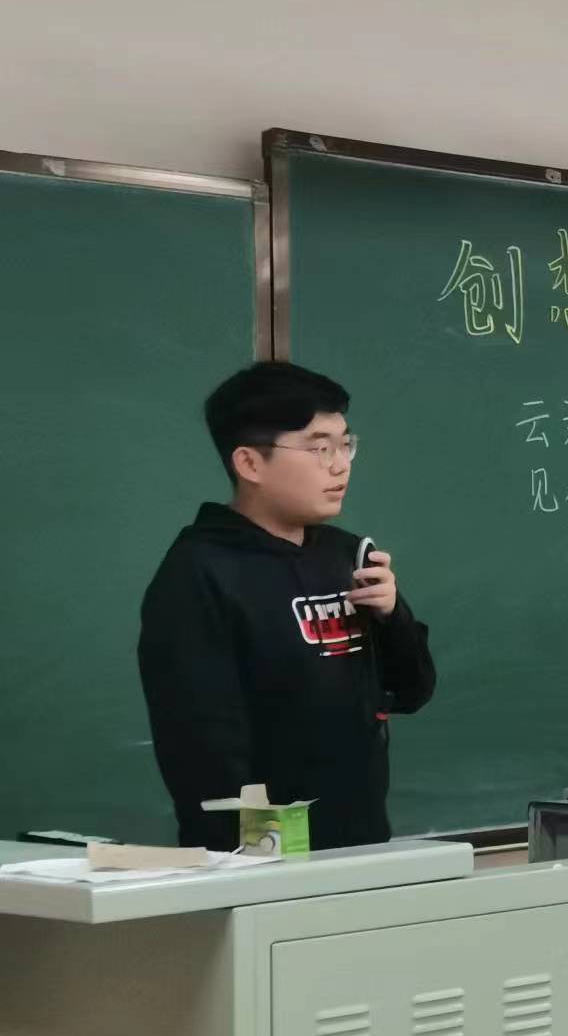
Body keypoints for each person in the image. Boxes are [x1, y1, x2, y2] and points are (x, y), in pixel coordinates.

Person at [138, 362, 435, 850]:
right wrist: (261, 859)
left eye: (345, 444)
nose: (340, 465)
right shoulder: (199, 573)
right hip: (264, 860)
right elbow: (204, 746)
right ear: (250, 464)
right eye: (320, 448)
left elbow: (412, 692)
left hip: (363, 845)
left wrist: (391, 616)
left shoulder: (346, 555)